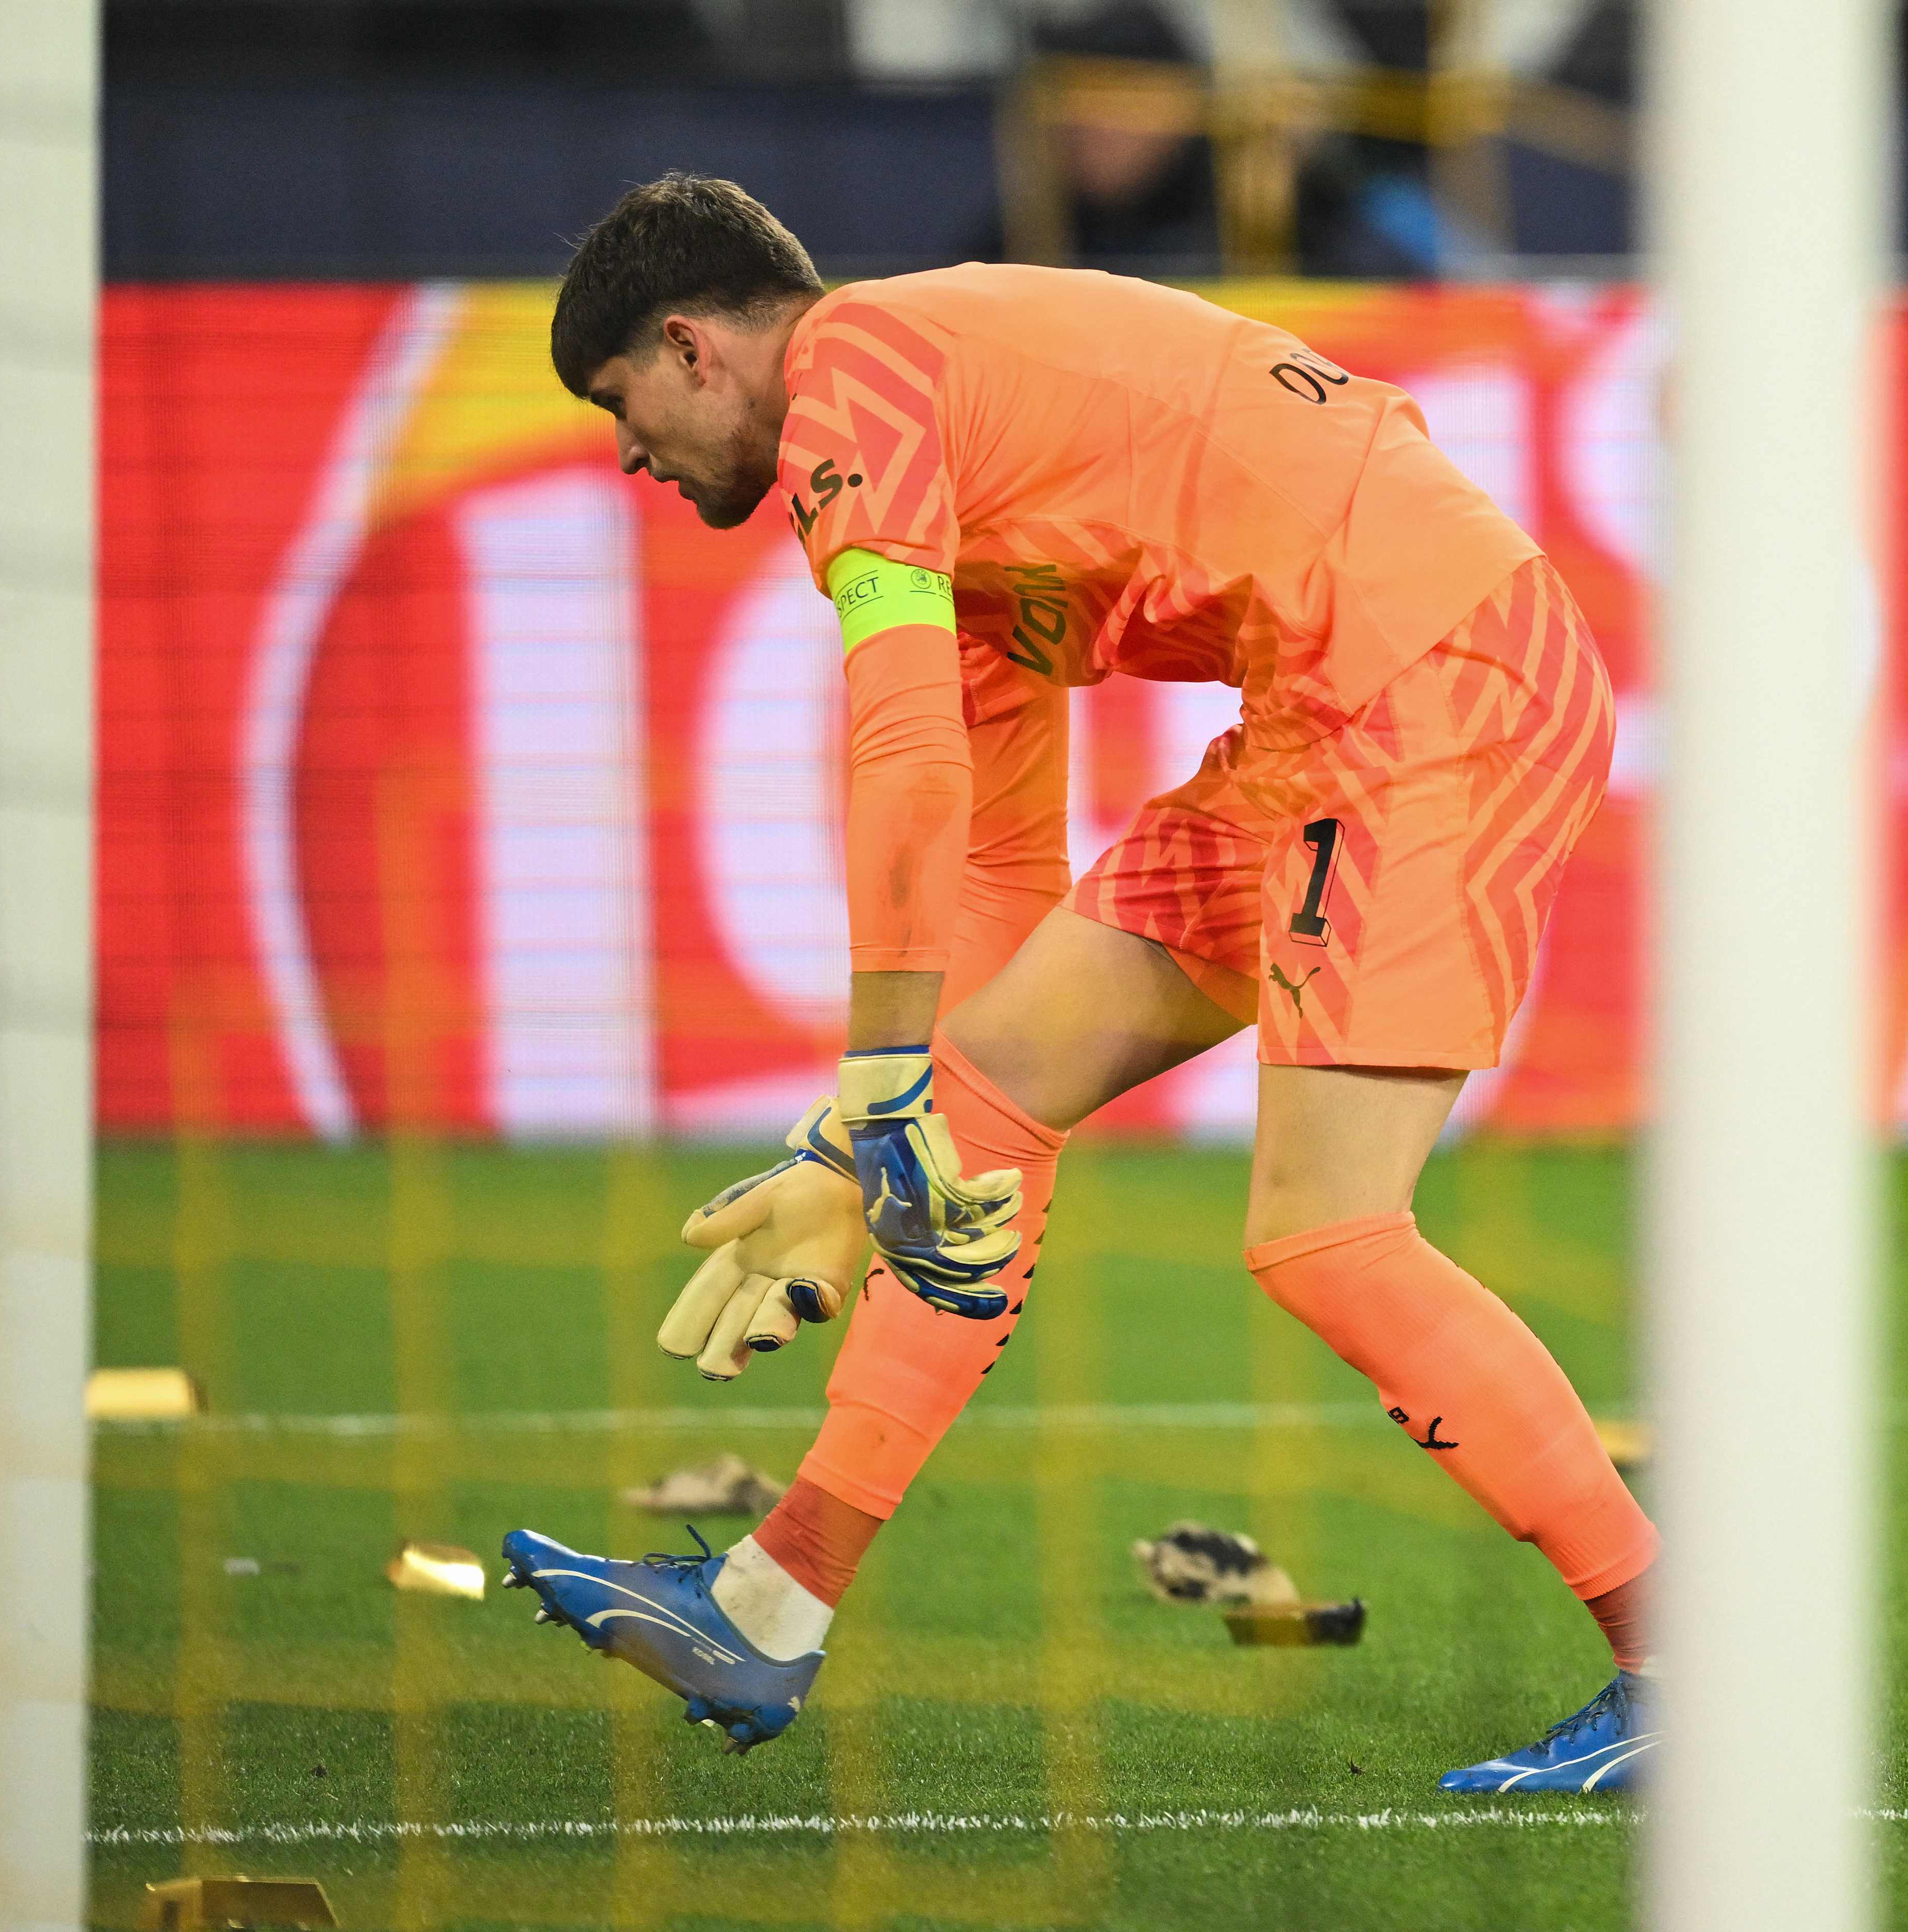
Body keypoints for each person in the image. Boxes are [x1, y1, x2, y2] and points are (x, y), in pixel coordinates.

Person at [500, 174, 1658, 1795]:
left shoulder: (863, 379)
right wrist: (876, 1143)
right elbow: (990, 866)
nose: (631, 456)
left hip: (1430, 683)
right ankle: (769, 1604)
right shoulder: (934, 472)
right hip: (1322, 719)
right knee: (983, 1105)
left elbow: (895, 752)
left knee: (1326, 1233)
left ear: (692, 348)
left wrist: (874, 1076)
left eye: (623, 407)